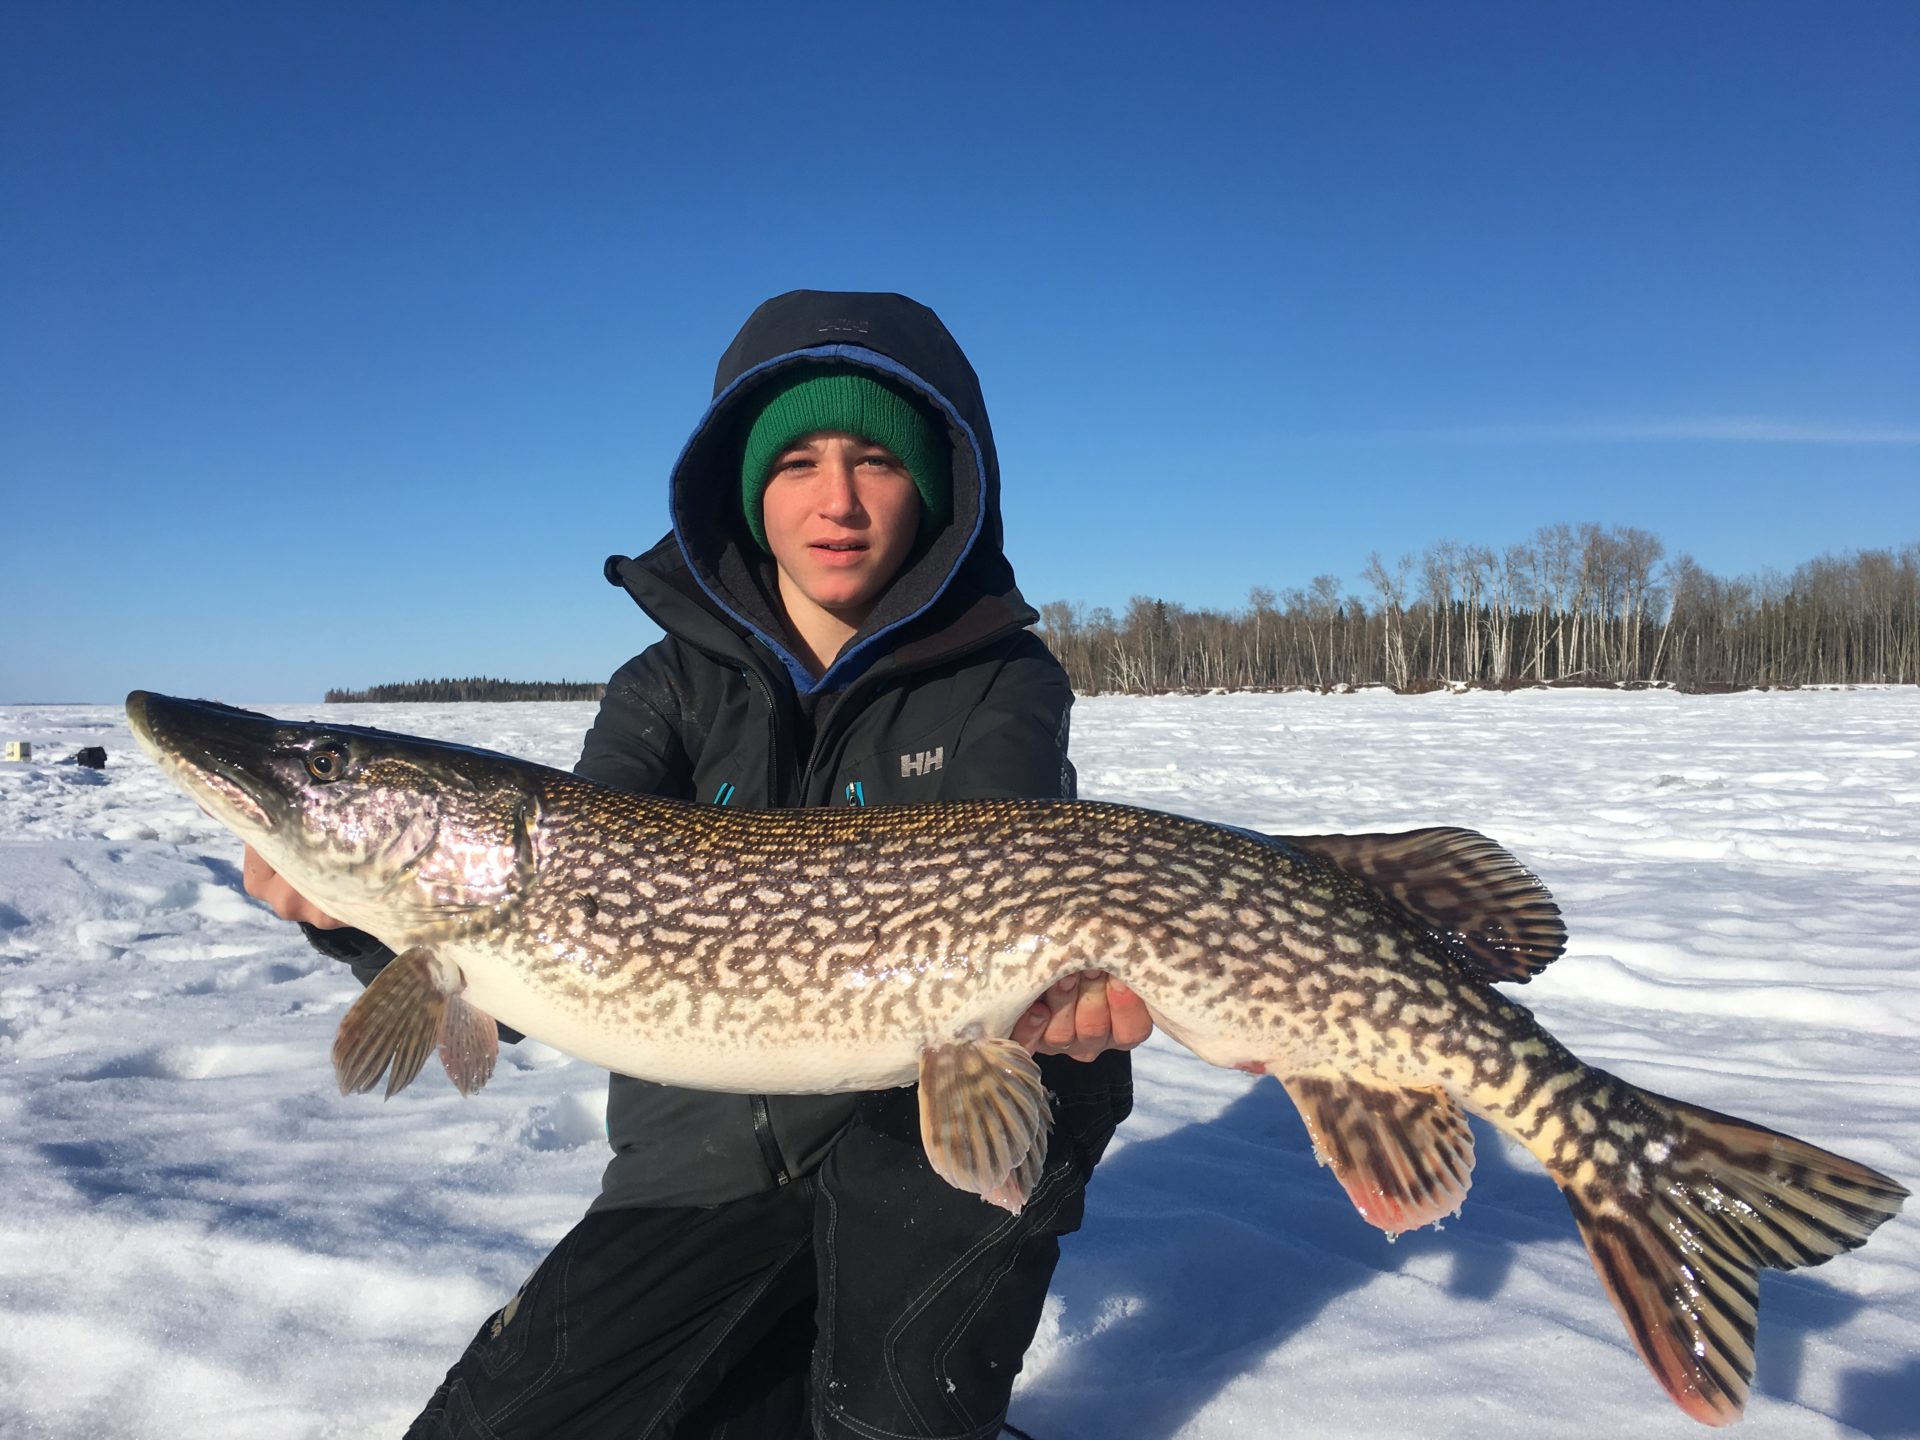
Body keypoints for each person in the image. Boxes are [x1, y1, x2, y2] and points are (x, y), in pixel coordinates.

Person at [245, 289, 1151, 1439]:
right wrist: (363, 922)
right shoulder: (662, 687)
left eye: (875, 459)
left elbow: (1009, 888)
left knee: (892, 1416)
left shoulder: (1002, 678)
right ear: (746, 486)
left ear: (932, 485)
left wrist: (1052, 1001)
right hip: (708, 1140)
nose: (836, 501)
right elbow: (528, 981)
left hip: (927, 1121)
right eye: (798, 463)